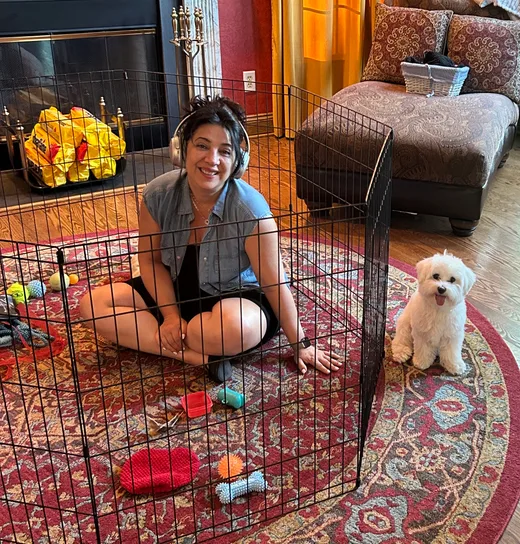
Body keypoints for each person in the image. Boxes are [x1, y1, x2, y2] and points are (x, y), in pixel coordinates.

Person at [79, 95, 342, 382]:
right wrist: (169, 316)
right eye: (202, 145)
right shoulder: (157, 195)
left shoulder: (252, 210)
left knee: (232, 328)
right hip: (177, 289)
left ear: (237, 162)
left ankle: (179, 338)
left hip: (237, 298)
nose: (212, 160)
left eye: (225, 151)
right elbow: (151, 261)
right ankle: (195, 355)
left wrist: (301, 344)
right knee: (92, 306)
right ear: (182, 149)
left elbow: (274, 283)